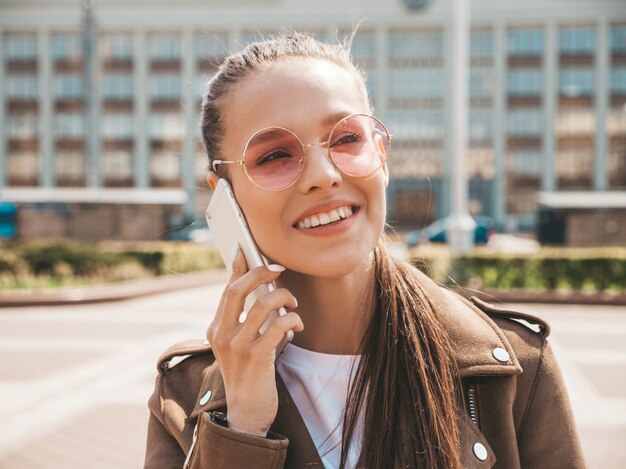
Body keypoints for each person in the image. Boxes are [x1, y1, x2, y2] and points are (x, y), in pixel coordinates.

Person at [144, 31, 585, 469]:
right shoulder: (181, 399)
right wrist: (240, 430)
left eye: (345, 139)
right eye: (276, 155)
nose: (323, 175)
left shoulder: (516, 370)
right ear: (225, 197)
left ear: (382, 157)